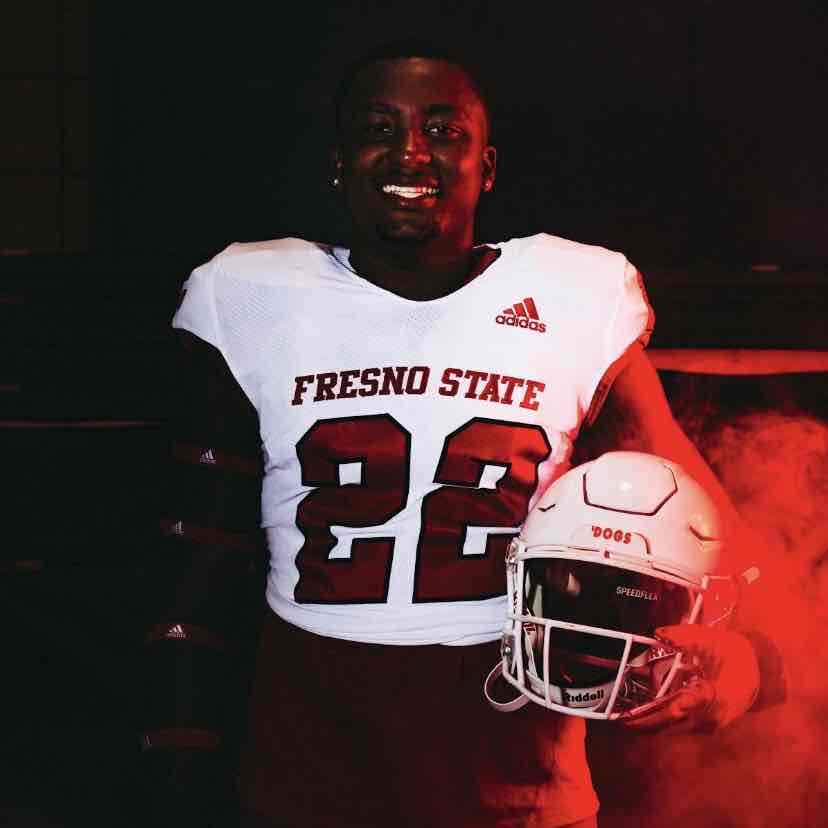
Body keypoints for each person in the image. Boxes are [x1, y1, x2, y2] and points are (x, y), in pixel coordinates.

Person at [139, 40, 769, 828]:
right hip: (310, 765)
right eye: (379, 128)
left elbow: (702, 516)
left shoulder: (575, 295)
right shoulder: (251, 294)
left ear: (487, 166)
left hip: (517, 772)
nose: (410, 152)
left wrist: (749, 659)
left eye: (443, 131)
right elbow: (200, 556)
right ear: (339, 164)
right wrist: (177, 756)